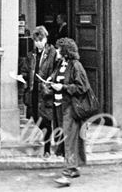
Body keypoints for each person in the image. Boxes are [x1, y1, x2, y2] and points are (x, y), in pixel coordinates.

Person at [45, 37, 91, 186]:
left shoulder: (76, 66)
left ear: (65, 51)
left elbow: (82, 87)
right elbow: (56, 79)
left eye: (58, 49)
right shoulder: (60, 64)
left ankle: (67, 173)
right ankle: (74, 167)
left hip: (71, 108)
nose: (56, 51)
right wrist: (50, 84)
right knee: (64, 138)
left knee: (69, 139)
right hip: (59, 106)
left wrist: (63, 88)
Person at [18, 26, 58, 157]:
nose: (38, 43)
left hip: (46, 92)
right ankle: (48, 139)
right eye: (36, 40)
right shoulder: (31, 54)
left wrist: (49, 81)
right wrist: (22, 76)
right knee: (35, 118)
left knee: (46, 119)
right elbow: (25, 69)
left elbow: (56, 70)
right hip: (33, 90)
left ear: (46, 39)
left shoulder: (52, 53)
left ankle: (47, 148)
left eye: (40, 40)